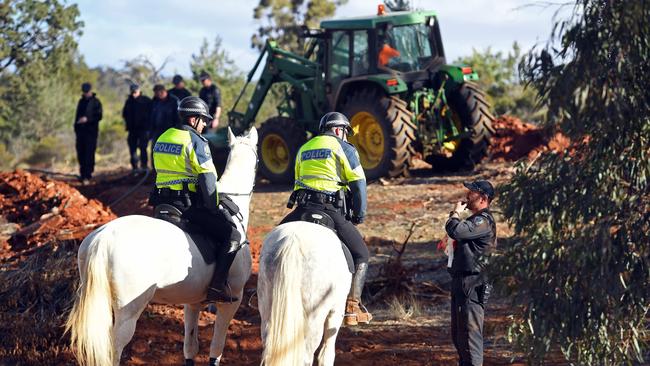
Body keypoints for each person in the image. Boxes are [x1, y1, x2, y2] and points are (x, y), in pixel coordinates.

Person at [280, 111, 372, 326]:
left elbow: (297, 181)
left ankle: (260, 292)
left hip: (301, 209)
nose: (346, 136)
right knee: (361, 255)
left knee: (272, 244)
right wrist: (359, 214)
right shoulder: (345, 148)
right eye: (345, 132)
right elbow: (359, 184)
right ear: (339, 130)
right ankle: (352, 306)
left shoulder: (305, 147)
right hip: (329, 209)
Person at [150, 96, 242, 303]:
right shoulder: (196, 141)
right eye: (204, 121)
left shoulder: (163, 137)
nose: (205, 125)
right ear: (193, 120)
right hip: (187, 206)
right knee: (232, 235)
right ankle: (217, 287)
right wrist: (214, 206)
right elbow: (208, 180)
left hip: (162, 204)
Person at [445, 180, 497, 366]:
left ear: (483, 198)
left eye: (472, 192)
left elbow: (456, 230)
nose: (467, 195)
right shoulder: (475, 220)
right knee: (459, 336)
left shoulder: (483, 221)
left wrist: (455, 213)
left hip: (473, 283)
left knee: (470, 337)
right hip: (463, 281)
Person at [74, 82, 103, 184]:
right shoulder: (81, 102)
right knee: (80, 153)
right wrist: (76, 127)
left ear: (90, 91)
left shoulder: (96, 102)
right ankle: (82, 175)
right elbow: (76, 116)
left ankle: (88, 175)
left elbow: (99, 116)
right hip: (80, 133)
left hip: (91, 133)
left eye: (87, 91)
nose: (86, 93)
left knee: (89, 153)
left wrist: (88, 119)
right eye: (84, 92)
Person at [122, 84, 152, 171]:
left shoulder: (146, 101)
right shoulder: (129, 101)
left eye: (135, 92)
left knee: (143, 148)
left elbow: (152, 114)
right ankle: (135, 167)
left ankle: (144, 166)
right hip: (132, 130)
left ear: (139, 91)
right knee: (132, 149)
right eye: (132, 92)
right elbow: (124, 114)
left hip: (144, 130)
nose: (133, 94)